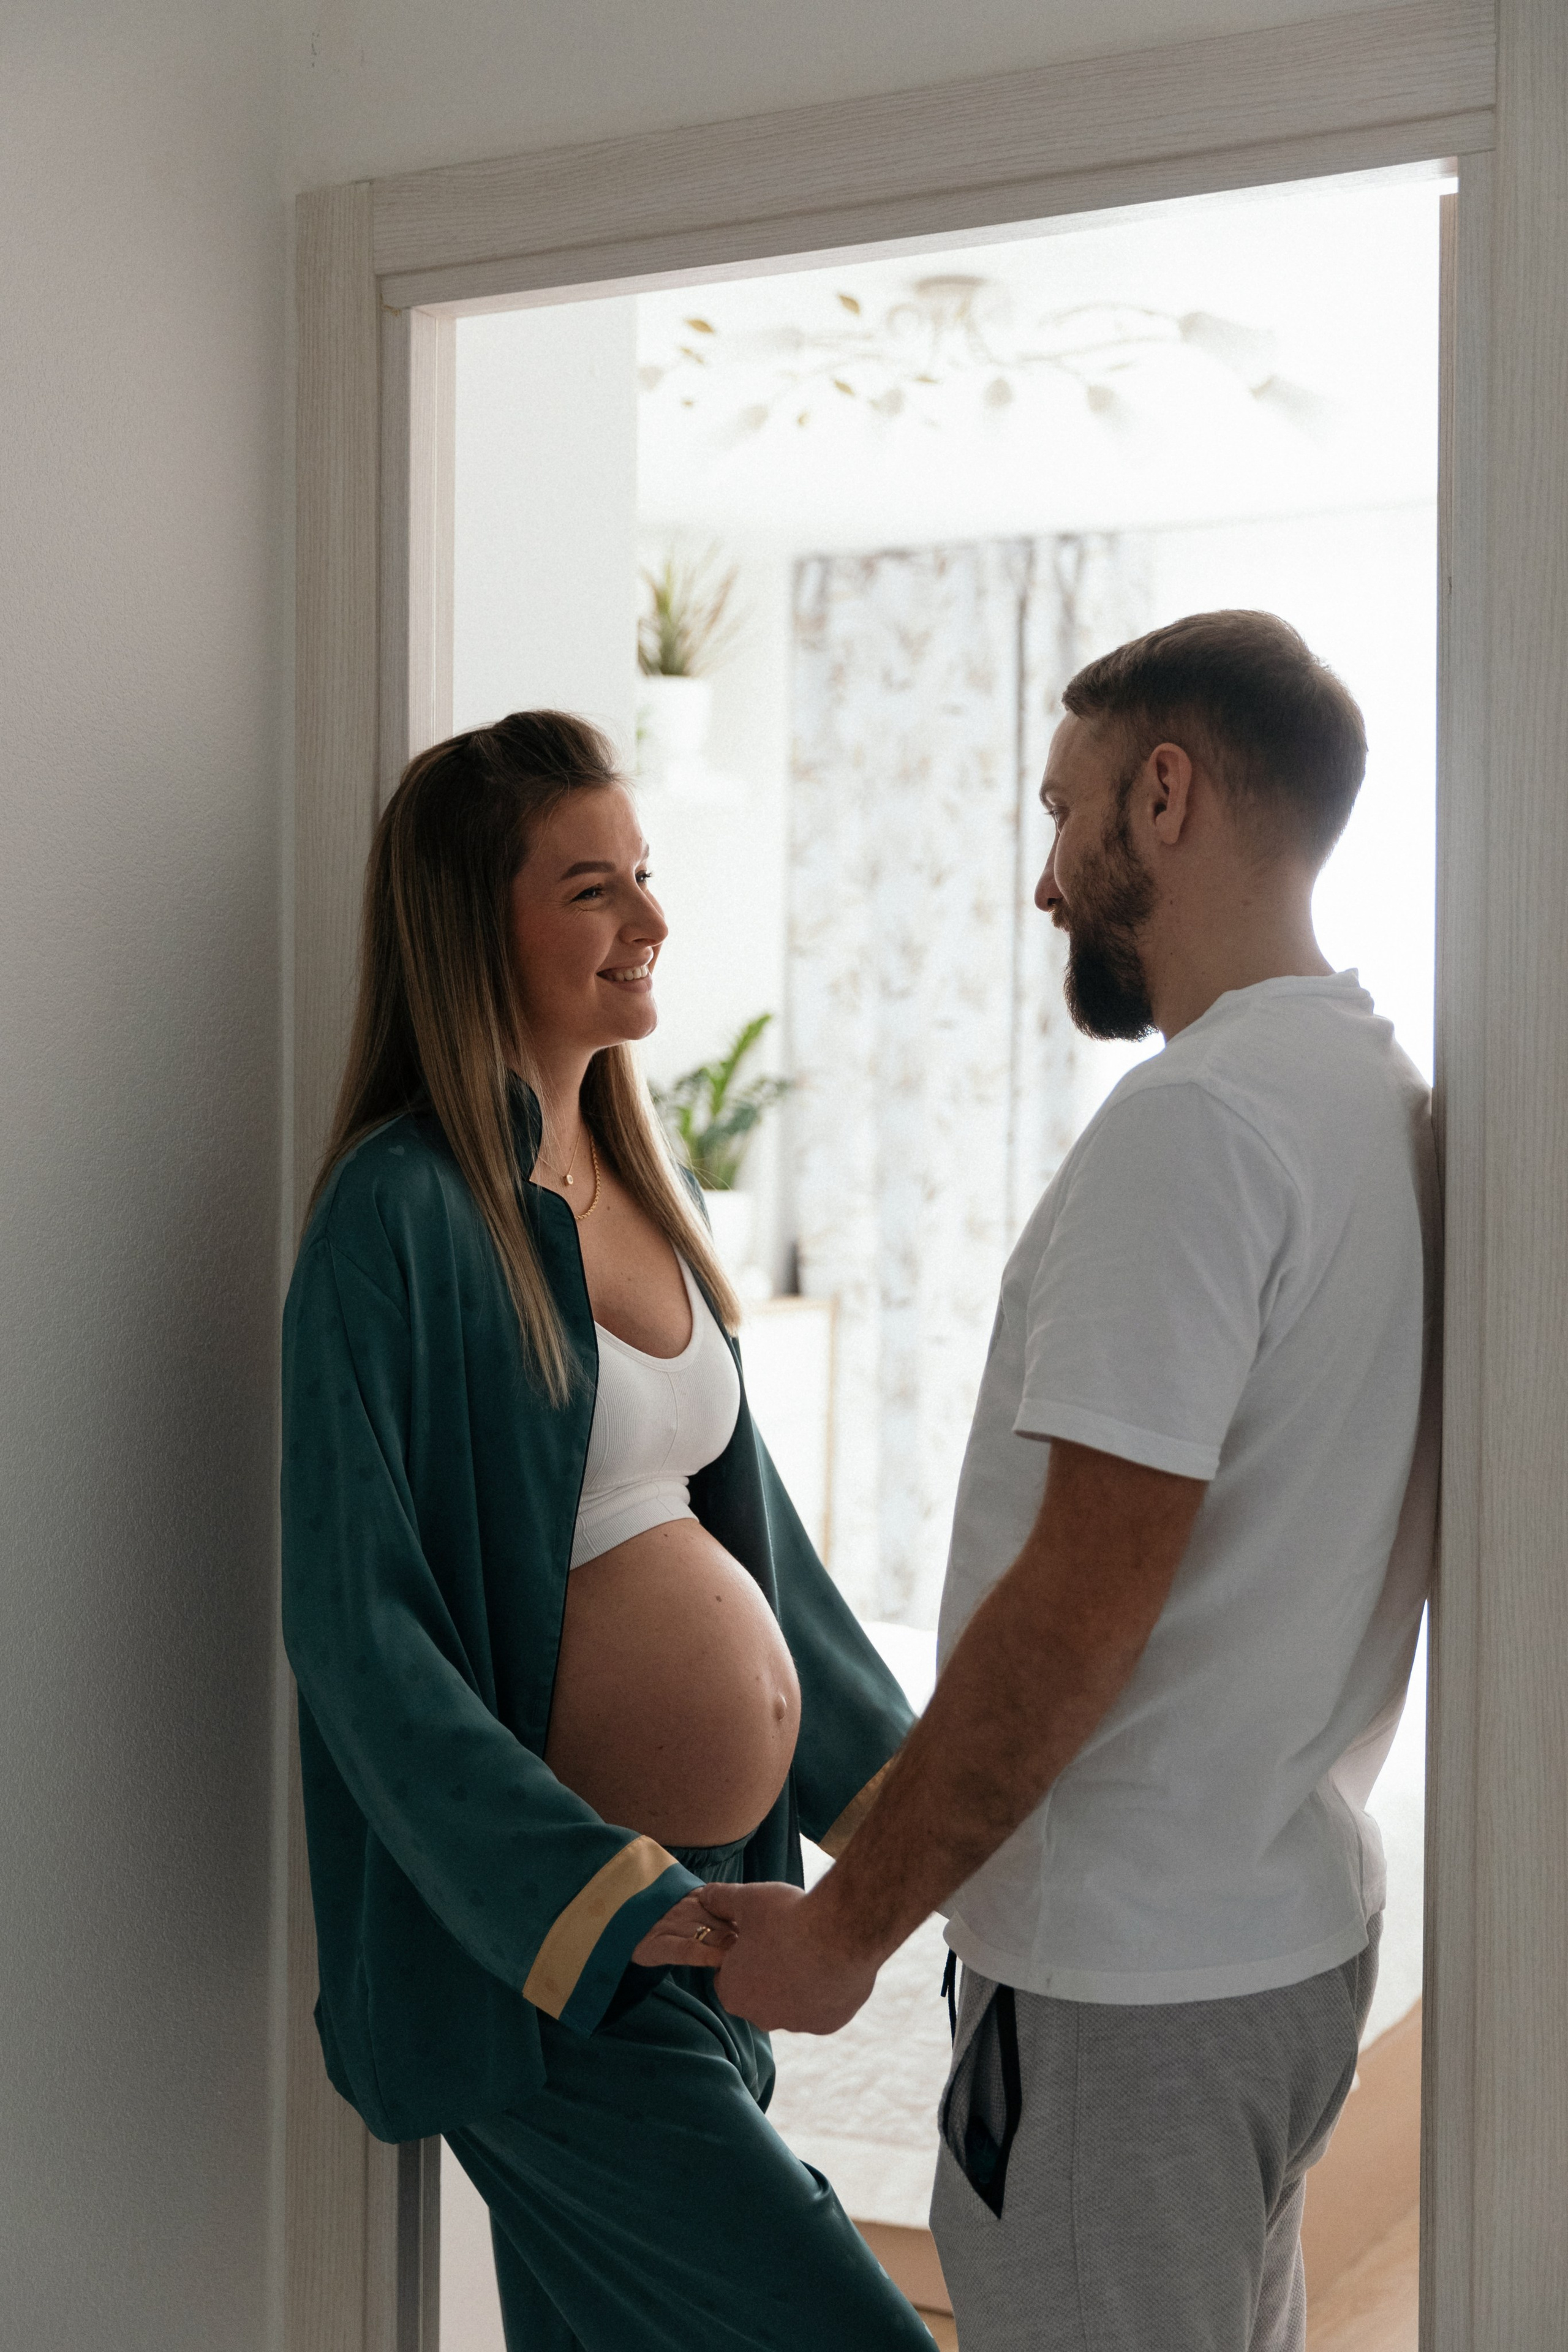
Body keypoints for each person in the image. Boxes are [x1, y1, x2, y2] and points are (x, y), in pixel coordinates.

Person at [702, 611, 1441, 2352]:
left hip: (1128, 1995)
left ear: (1163, 794)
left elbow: (1084, 1600)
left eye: (1062, 811)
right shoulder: (1374, 1093)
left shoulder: (1199, 1128)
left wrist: (846, 1934)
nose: (1046, 881)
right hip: (1273, 1942)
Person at [281, 710, 934, 2352]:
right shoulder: (402, 1216)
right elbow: (363, 1634)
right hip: (549, 1956)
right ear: (472, 924)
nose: (650, 920)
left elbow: (762, 1543)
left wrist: (922, 1816)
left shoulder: (648, 1188)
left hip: (715, 1915)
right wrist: (601, 1901)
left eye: (642, 876)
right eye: (593, 889)